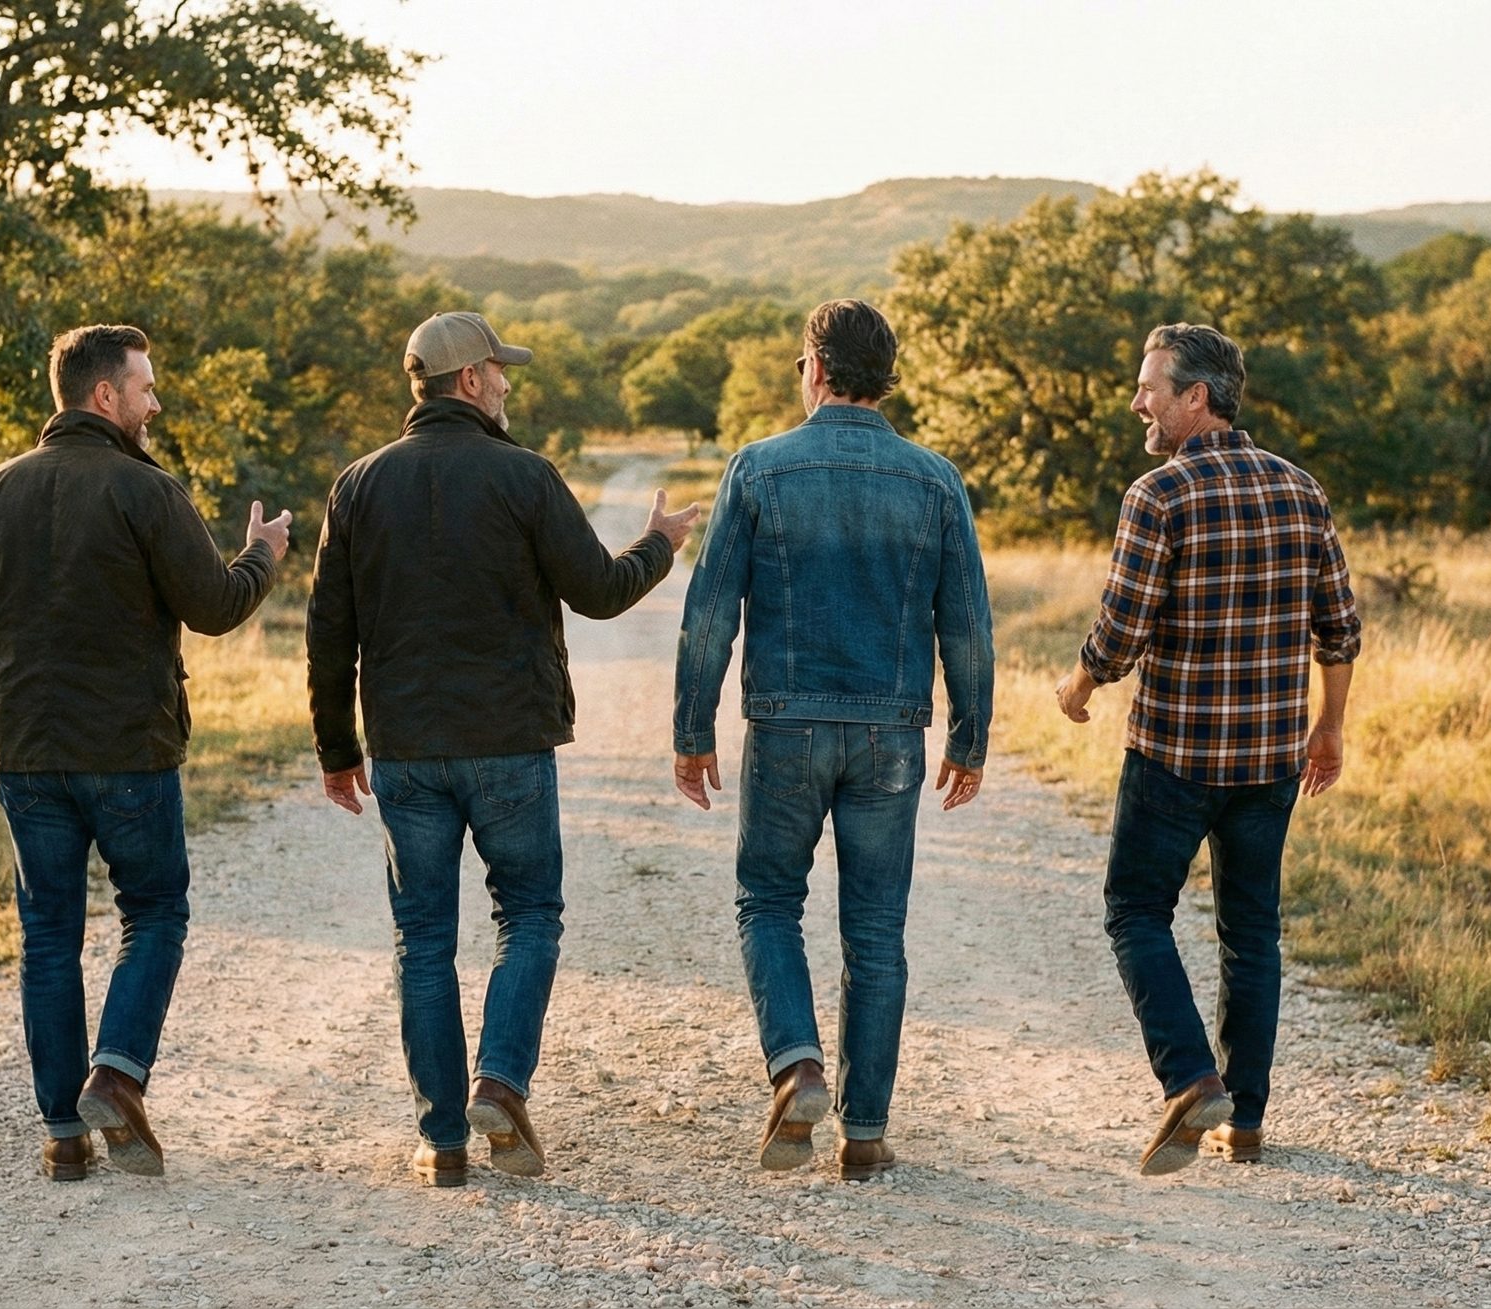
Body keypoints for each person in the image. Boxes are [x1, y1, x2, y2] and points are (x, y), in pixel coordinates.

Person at [307, 310, 699, 1186]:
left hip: (406, 749)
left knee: (422, 939)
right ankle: (501, 1082)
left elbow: (328, 629)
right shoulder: (524, 476)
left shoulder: (357, 485)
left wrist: (338, 747)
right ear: (473, 380)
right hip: (512, 745)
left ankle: (442, 1138)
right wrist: (660, 545)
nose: (510, 383)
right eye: (502, 370)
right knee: (528, 916)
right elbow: (599, 592)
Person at [0, 324, 292, 1181]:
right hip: (131, 751)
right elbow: (212, 606)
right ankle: (118, 1072)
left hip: (25, 753)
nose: (155, 401)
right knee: (156, 912)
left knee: (48, 936)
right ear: (107, 396)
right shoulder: (147, 488)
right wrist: (265, 555)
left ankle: (64, 1131)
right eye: (146, 386)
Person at [672, 299, 995, 1181]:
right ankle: (865, 1132)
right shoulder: (935, 479)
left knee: (768, 901)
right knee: (877, 929)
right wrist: (971, 733)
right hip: (891, 733)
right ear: (884, 375)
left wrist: (691, 727)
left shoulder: (758, 468)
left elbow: (709, 613)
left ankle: (797, 1065)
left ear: (814, 368)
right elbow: (965, 620)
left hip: (784, 724)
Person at [1054, 322, 1362, 1176]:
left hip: (1175, 758)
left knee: (1134, 910)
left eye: (1151, 386)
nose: (1137, 401)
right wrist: (1329, 725)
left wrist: (1077, 685)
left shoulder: (1160, 494)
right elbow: (1339, 629)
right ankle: (1247, 1120)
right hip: (1268, 759)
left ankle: (1192, 1079)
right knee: (1250, 929)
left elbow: (1119, 635)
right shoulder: (1303, 490)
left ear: (1198, 398)